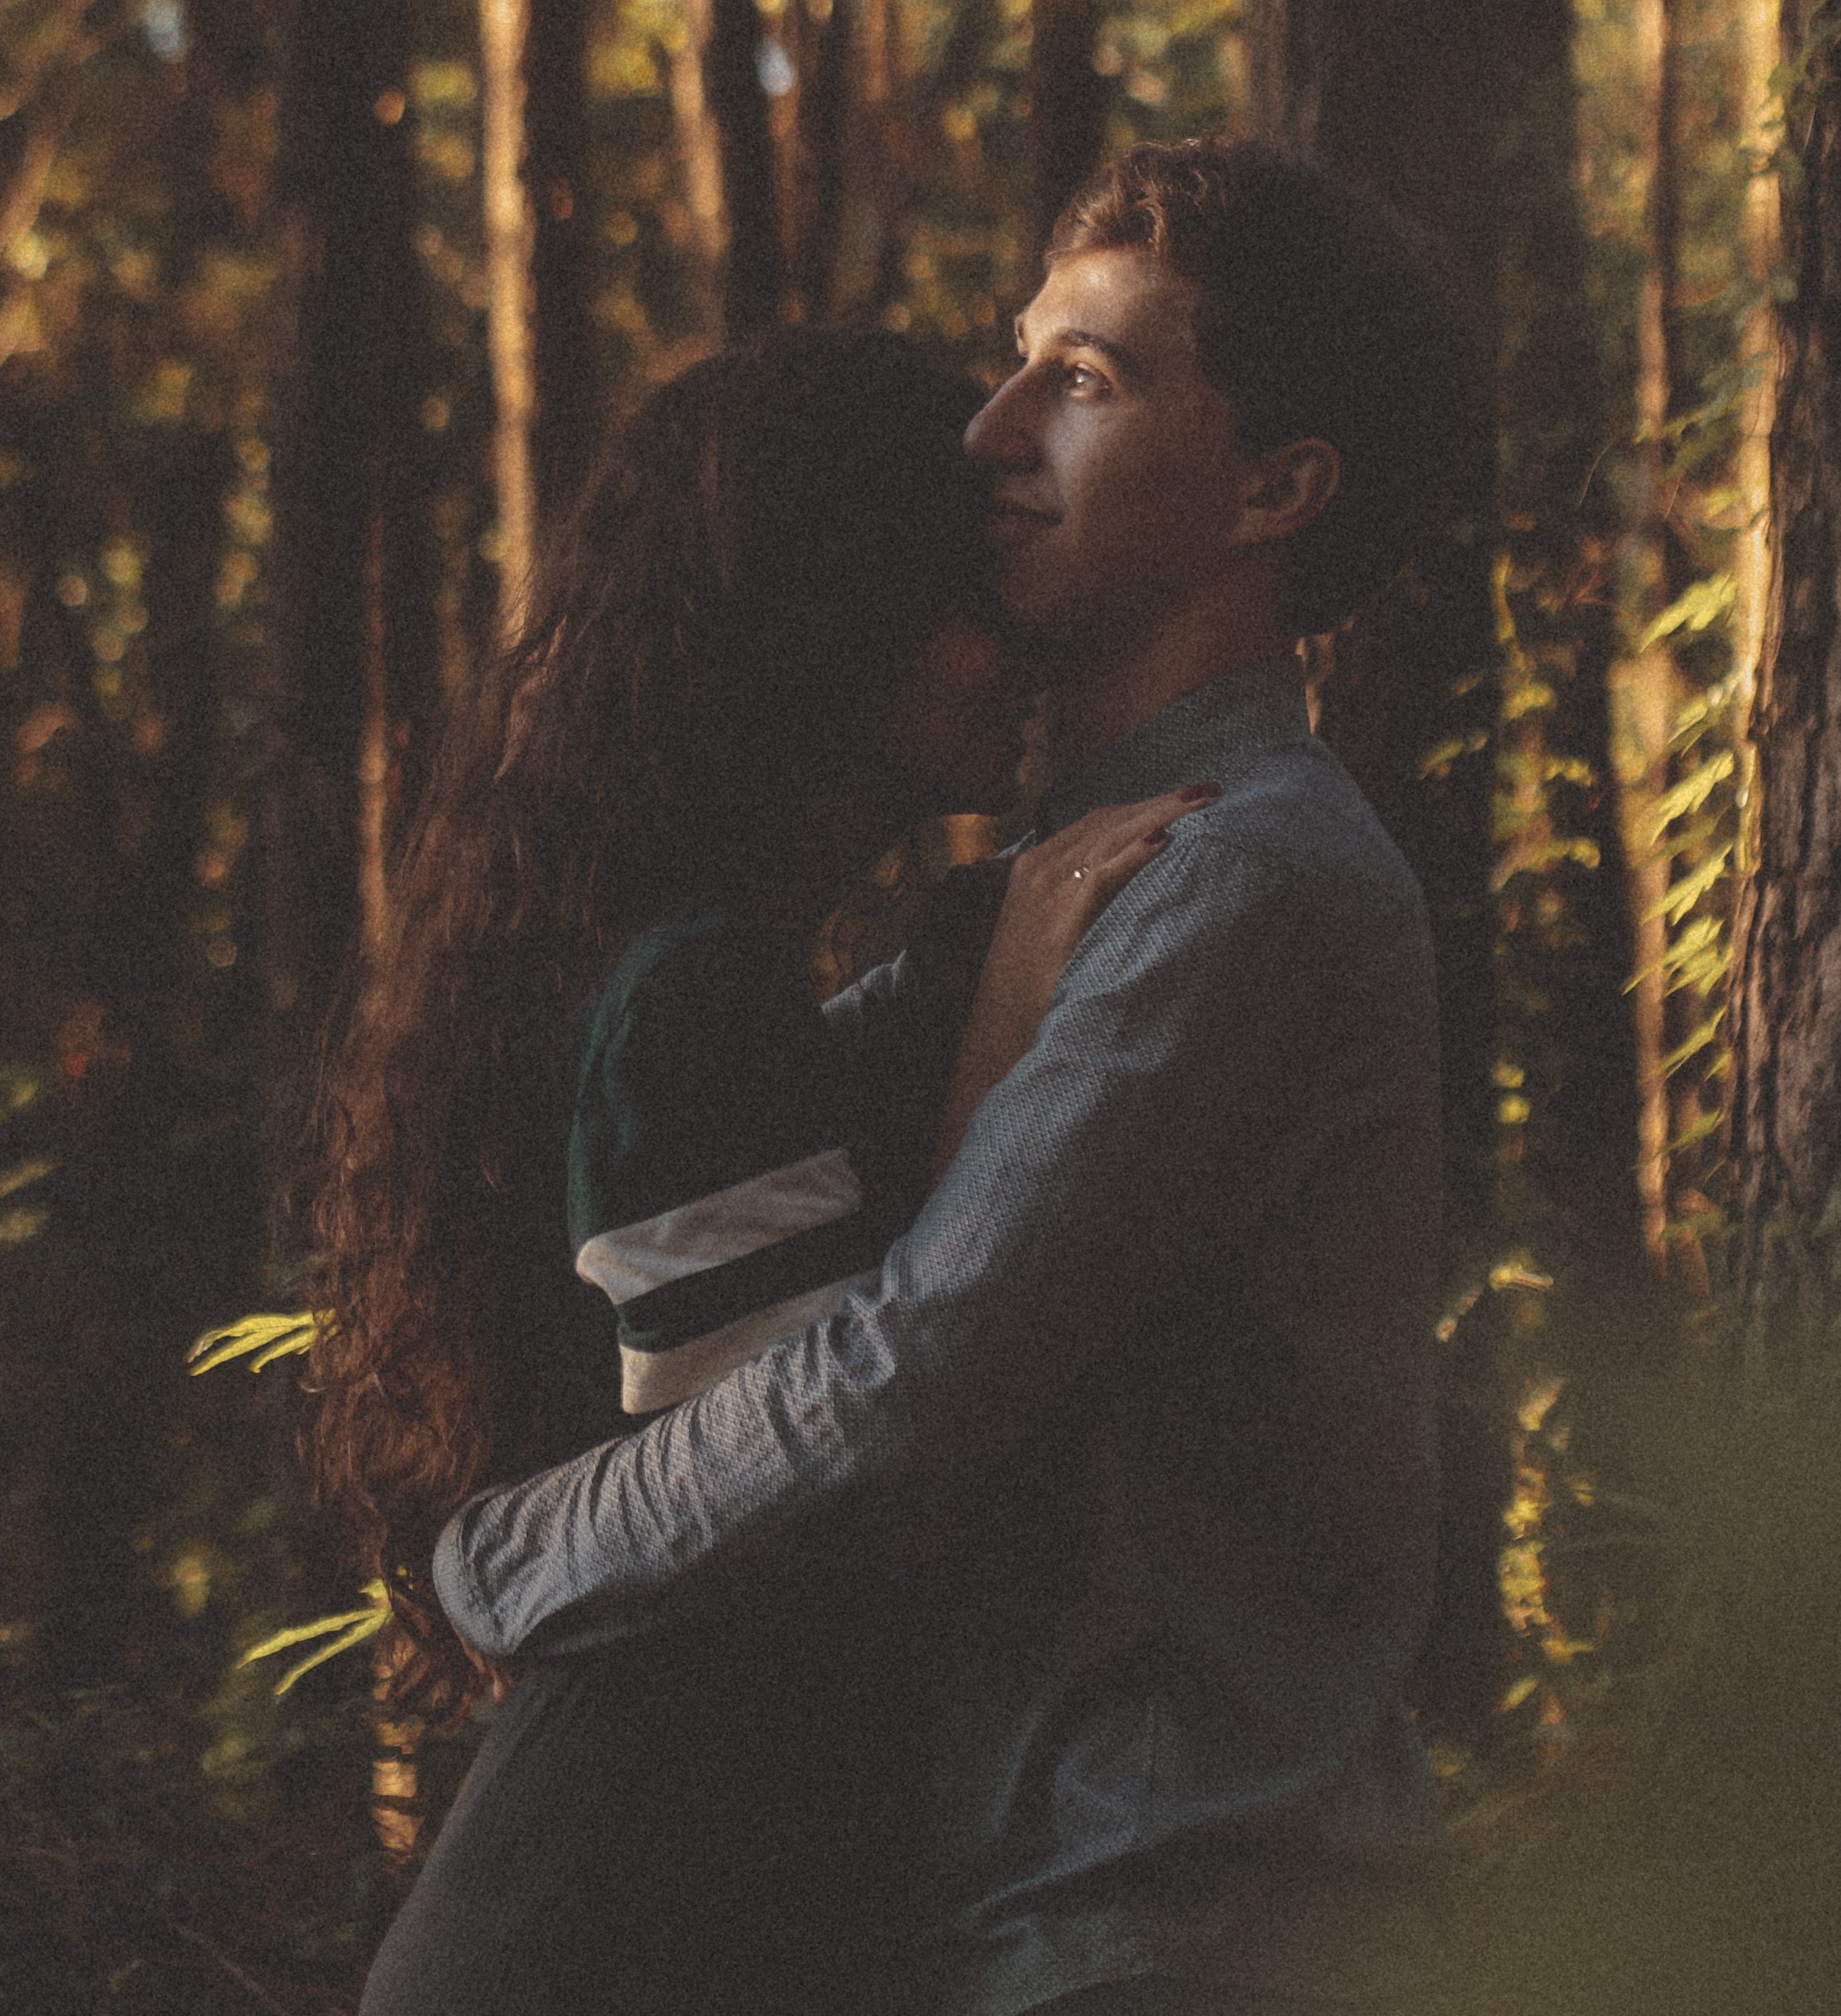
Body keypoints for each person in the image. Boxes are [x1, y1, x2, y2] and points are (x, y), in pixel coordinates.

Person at [437, 139, 1476, 2015]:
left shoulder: (1239, 874)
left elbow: (903, 1376)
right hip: (999, 1908)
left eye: (1086, 381)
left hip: (1167, 1918)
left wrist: (509, 1563)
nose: (991, 428)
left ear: (1274, 487)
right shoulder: (1042, 885)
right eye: (1017, 359)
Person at [302, 328, 1210, 2014]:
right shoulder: (686, 992)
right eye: (965, 591)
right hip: (610, 1915)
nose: (1009, 645)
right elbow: (813, 1477)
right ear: (832, 612)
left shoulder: (725, 977)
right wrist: (1009, 1013)